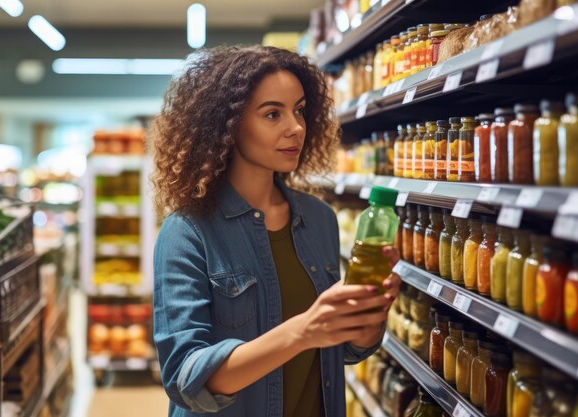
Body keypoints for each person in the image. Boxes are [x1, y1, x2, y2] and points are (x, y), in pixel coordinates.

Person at [151, 45, 400, 417]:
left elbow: (341, 350)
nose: (296, 127)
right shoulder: (187, 232)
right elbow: (186, 377)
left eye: (299, 111)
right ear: (228, 125)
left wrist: (368, 314)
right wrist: (302, 331)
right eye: (272, 114)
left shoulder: (319, 219)